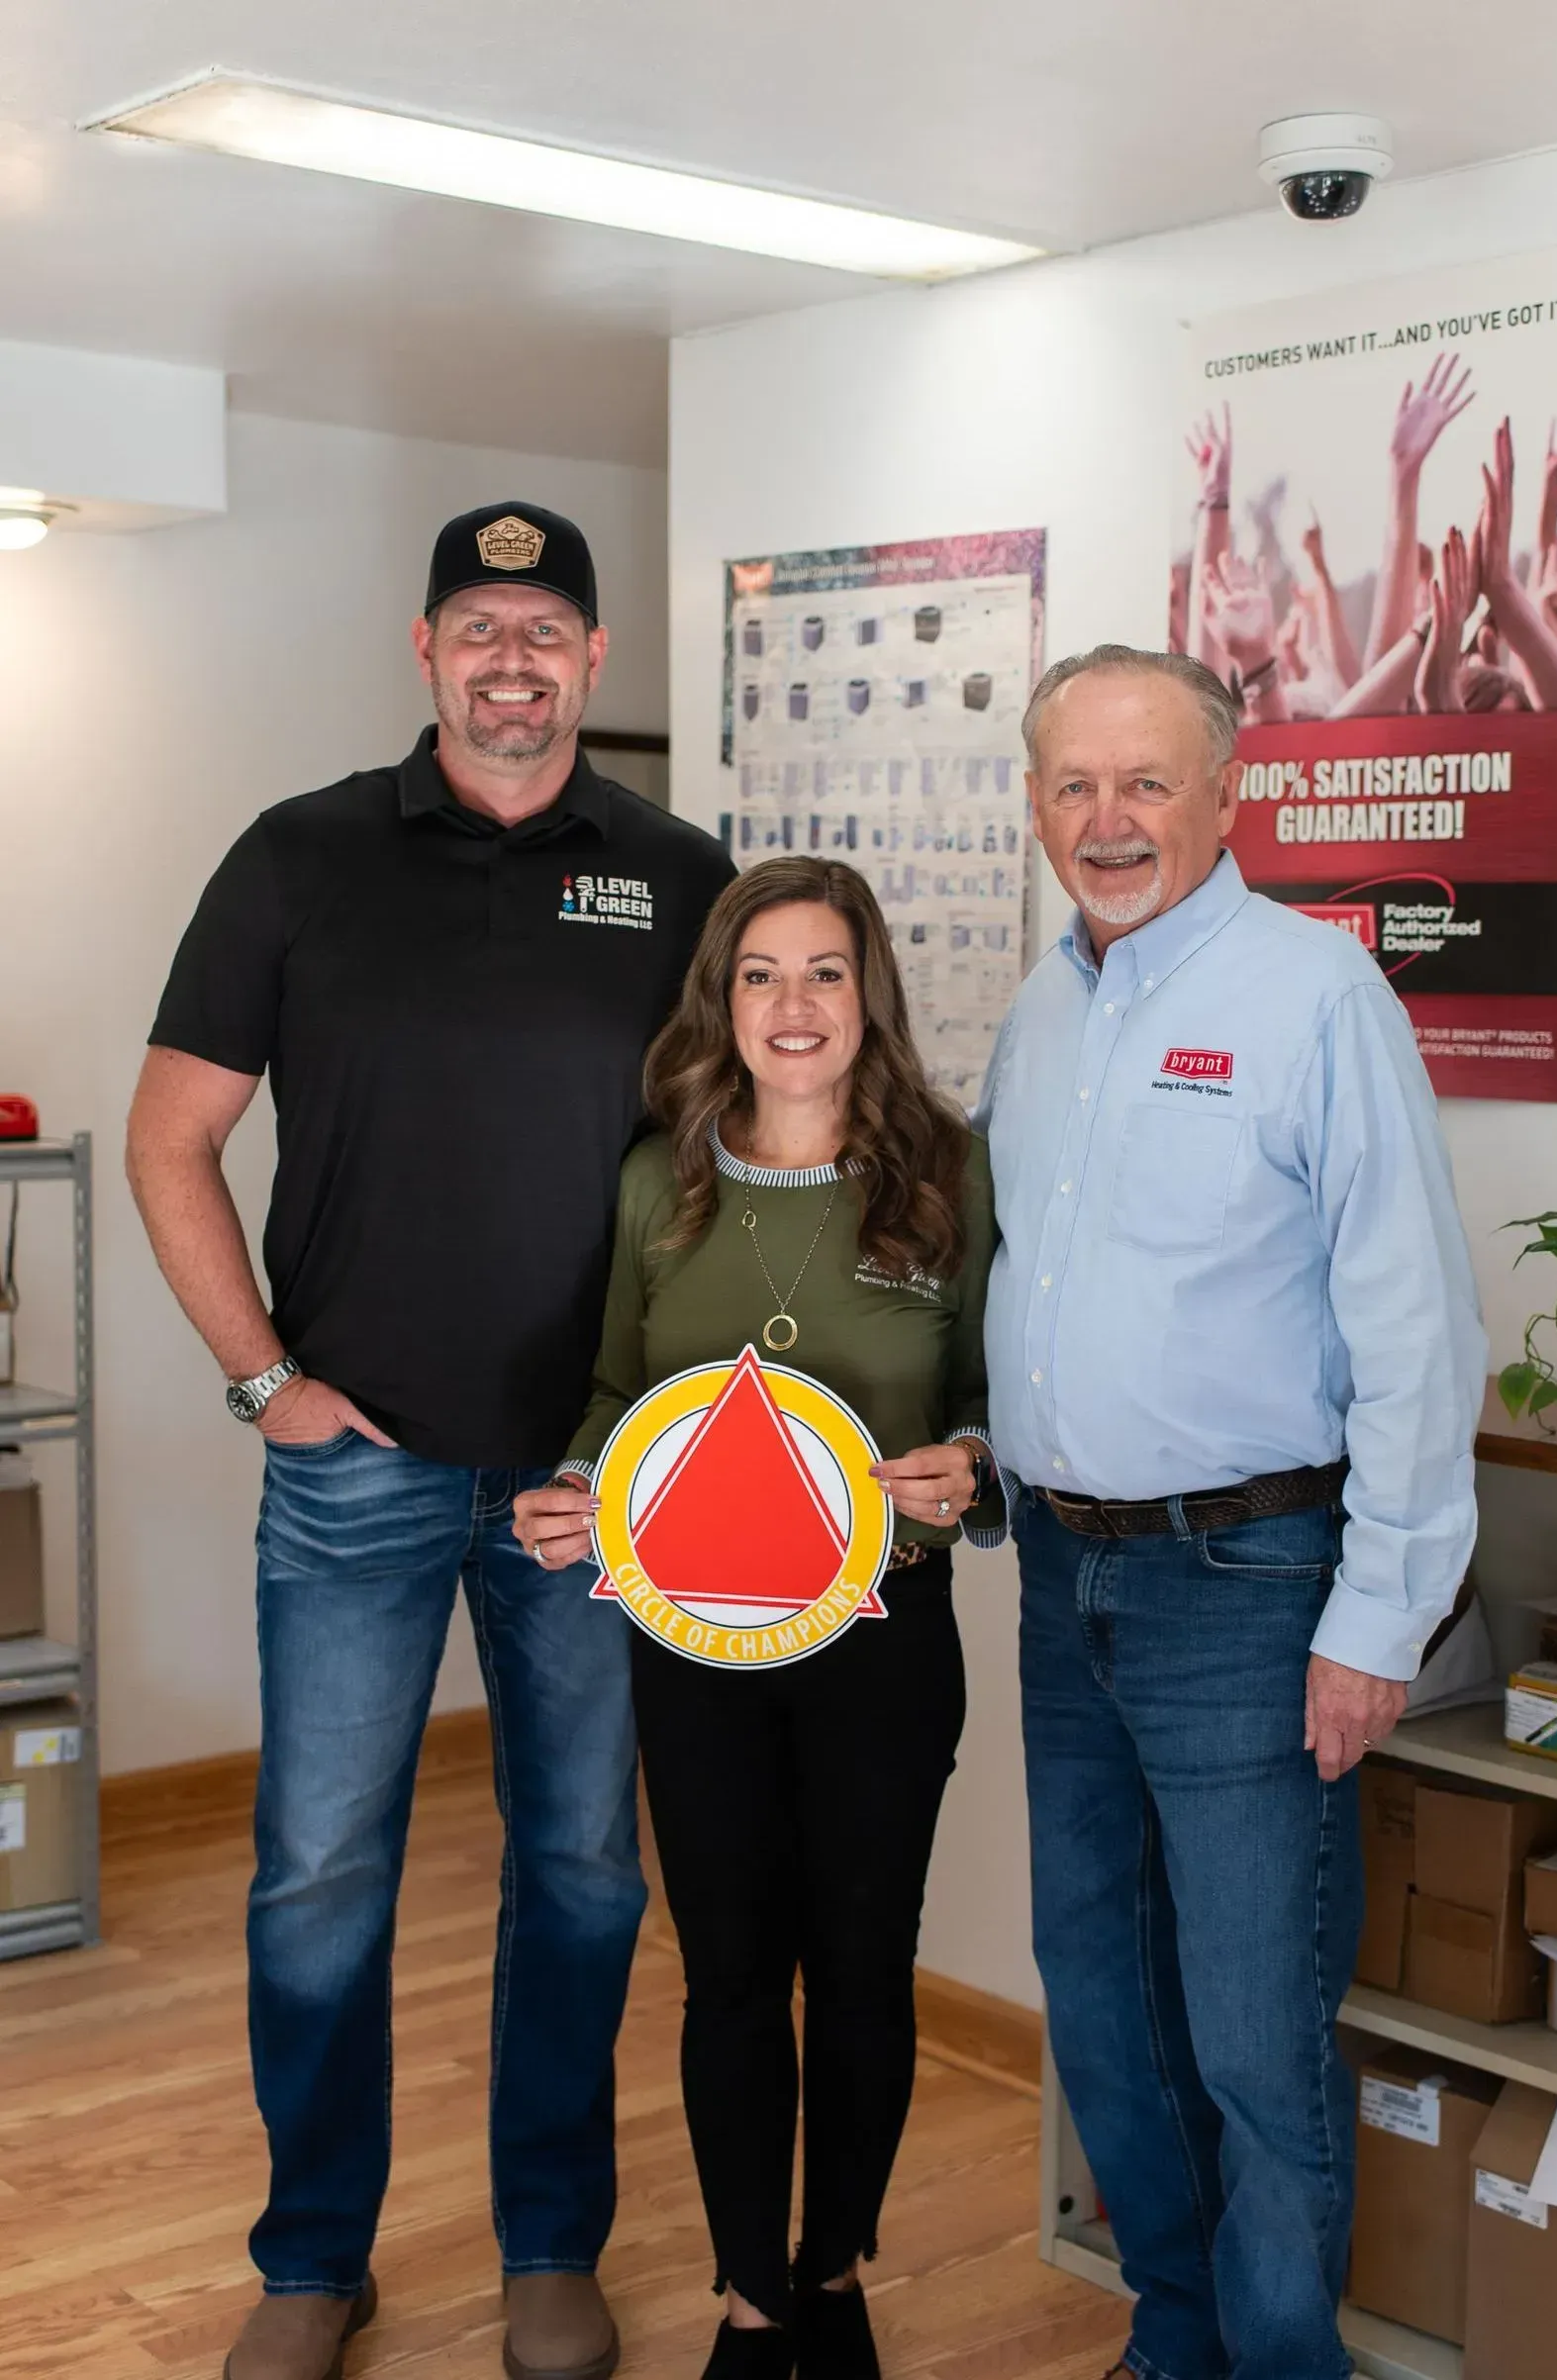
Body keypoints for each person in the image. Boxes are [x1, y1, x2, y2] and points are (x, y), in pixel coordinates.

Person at [126, 502, 734, 2380]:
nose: (512, 660)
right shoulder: (299, 855)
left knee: (585, 1869)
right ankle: (313, 2259)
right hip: (355, 1470)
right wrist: (267, 1386)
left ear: (595, 658)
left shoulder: (680, 875)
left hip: (590, 1483)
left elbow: (740, 1159)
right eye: (479, 624)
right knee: (319, 1873)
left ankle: (552, 2243)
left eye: (546, 629)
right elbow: (169, 1139)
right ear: (426, 651)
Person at [980, 646, 1485, 2380]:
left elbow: (1417, 1328)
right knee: (1103, 2004)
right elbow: (1028, 1288)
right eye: (1075, 784)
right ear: (1035, 804)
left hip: (1253, 1586)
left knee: (1259, 2042)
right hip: (1066, 1578)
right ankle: (1176, 2339)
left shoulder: (1315, 997)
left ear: (1226, 795)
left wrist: (1376, 1621)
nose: (1109, 819)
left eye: (1147, 782)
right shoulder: (1044, 1011)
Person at [513, 856, 1002, 2380]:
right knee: (728, 1975)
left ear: (871, 995)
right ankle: (750, 2298)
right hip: (698, 1654)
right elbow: (615, 1391)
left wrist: (971, 1467)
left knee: (860, 1971)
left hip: (886, 1645)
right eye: (762, 974)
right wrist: (578, 1486)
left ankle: (835, 2272)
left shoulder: (949, 1174)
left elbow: (993, 1401)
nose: (795, 1004)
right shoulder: (657, 1180)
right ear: (720, 1000)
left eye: (825, 972)